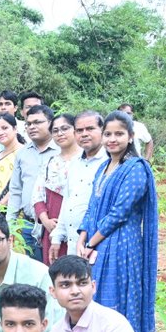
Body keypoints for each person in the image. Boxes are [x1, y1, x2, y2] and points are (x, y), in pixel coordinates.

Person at [77, 111, 159, 332]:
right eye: (108, 134)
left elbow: (120, 212)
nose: (112, 139)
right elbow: (92, 205)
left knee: (118, 296)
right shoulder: (103, 166)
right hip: (98, 241)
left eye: (119, 134)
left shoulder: (136, 168)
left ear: (131, 137)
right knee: (97, 295)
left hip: (122, 243)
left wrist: (92, 242)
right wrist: (82, 238)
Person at [7, 104, 59, 261]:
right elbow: (16, 190)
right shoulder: (22, 154)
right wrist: (10, 224)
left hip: (55, 226)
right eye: (28, 124)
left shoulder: (62, 150)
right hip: (28, 226)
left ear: (51, 123)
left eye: (38, 122)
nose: (32, 127)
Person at [51, 109, 104, 257]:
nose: (84, 134)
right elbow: (67, 201)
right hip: (73, 243)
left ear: (102, 130)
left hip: (97, 243)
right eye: (79, 130)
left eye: (90, 129)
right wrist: (57, 237)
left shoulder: (110, 163)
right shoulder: (74, 163)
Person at [35, 113, 79, 263]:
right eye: (55, 130)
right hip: (51, 229)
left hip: (78, 227)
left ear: (75, 130)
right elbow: (38, 196)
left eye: (65, 128)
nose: (60, 133)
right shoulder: (50, 162)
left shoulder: (85, 161)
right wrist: (45, 220)